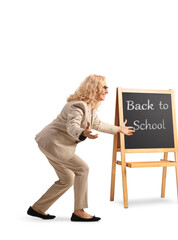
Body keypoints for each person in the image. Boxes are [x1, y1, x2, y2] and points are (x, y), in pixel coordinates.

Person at [27, 74, 134, 222]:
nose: (107, 91)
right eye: (104, 87)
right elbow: (73, 126)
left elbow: (98, 124)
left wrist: (118, 129)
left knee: (67, 179)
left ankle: (37, 208)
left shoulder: (89, 108)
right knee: (83, 169)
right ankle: (79, 211)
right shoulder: (78, 105)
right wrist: (83, 132)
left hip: (48, 144)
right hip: (54, 144)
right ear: (93, 88)